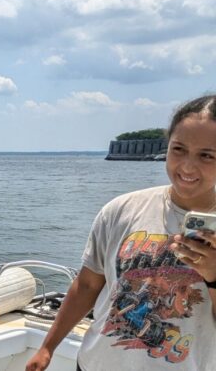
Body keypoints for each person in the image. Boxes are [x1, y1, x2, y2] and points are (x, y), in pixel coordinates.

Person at [25, 95, 216, 371]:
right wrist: (47, 346)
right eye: (178, 149)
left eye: (206, 155)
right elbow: (88, 285)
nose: (187, 166)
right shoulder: (122, 209)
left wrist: (214, 276)